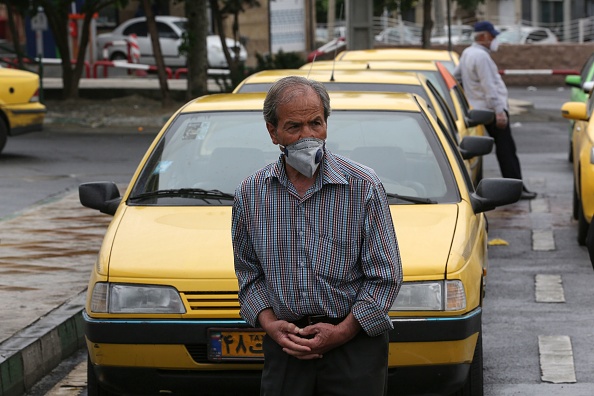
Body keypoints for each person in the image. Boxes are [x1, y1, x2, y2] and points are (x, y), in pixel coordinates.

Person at [231, 76, 402, 396]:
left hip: (354, 346)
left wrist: (341, 332)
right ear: (273, 132)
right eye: (294, 127)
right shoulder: (251, 193)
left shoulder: (362, 185)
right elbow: (249, 275)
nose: (307, 136)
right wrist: (270, 324)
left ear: (326, 123)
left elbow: (385, 276)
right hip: (287, 348)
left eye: (316, 123)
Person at [454, 21, 537, 200]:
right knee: (507, 149)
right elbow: (490, 88)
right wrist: (499, 112)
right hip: (491, 110)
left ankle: (514, 186)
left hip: (478, 108)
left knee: (499, 148)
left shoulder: (468, 53)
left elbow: (456, 77)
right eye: (493, 36)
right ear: (483, 37)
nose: (495, 40)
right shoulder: (481, 57)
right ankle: (515, 187)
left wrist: (469, 95)